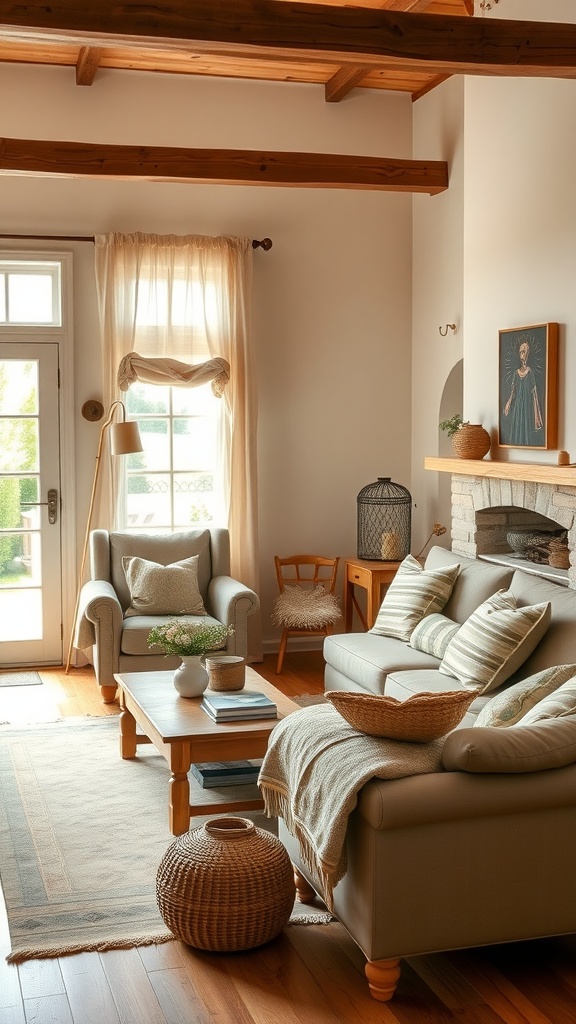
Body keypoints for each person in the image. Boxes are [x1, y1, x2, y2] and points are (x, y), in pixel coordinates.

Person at [502, 340, 543, 446]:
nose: (522, 354)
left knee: (526, 428)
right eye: (520, 352)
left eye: (524, 351)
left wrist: (536, 416)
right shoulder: (516, 373)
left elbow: (534, 394)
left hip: (527, 407)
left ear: (528, 353)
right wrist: (508, 403)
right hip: (518, 406)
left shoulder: (530, 373)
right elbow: (513, 391)